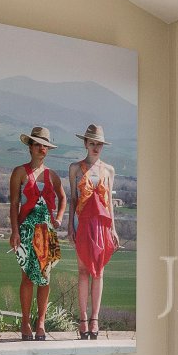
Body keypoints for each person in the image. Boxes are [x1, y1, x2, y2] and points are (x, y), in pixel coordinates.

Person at [8, 125, 65, 340]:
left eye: (45, 146)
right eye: (38, 145)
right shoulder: (19, 172)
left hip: (46, 232)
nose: (42, 149)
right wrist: (14, 231)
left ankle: (41, 322)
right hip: (26, 230)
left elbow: (63, 198)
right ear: (30, 147)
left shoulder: (52, 175)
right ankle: (25, 322)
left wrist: (59, 218)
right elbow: (14, 204)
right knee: (27, 276)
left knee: (45, 277)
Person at [66, 123, 119, 340]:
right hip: (81, 222)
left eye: (99, 144)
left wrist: (113, 228)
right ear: (85, 144)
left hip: (101, 225)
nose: (96, 148)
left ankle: (95, 318)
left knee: (99, 271)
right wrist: (70, 225)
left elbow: (109, 203)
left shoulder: (109, 170)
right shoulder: (75, 168)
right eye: (92, 143)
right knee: (82, 270)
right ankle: (83, 318)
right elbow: (73, 199)